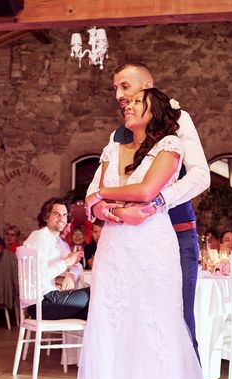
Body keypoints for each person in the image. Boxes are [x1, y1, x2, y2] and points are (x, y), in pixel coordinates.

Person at [78, 88, 219, 379]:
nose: (124, 102)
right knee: (109, 334)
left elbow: (144, 191)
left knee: (154, 336)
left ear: (153, 109)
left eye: (133, 98)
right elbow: (89, 197)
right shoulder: (112, 146)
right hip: (114, 248)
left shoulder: (170, 143)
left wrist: (102, 197)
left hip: (152, 247)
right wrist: (97, 204)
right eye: (122, 97)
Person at [85, 62, 210, 360]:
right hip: (122, 242)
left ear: (147, 86)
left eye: (125, 86)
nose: (118, 94)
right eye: (115, 88)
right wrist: (105, 209)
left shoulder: (178, 121)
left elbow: (200, 176)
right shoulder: (119, 136)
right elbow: (93, 192)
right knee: (126, 325)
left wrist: (156, 202)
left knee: (176, 323)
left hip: (172, 236)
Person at [22, 198, 89, 320]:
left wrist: (71, 276)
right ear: (46, 217)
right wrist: (66, 262)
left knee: (94, 310)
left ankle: (94, 339)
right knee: (94, 293)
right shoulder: (39, 237)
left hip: (53, 298)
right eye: (56, 214)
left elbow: (77, 265)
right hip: (42, 302)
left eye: (64, 215)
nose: (62, 219)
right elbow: (40, 275)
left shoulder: (60, 242)